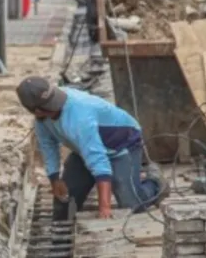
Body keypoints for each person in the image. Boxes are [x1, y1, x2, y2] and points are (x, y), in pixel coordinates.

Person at [16, 76, 168, 220]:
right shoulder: (42, 121)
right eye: (49, 106)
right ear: (37, 111)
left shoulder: (80, 116)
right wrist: (55, 179)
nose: (56, 106)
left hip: (121, 145)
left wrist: (105, 207)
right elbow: (48, 147)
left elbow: (98, 161)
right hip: (83, 149)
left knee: (131, 202)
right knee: (64, 201)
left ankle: (155, 183)